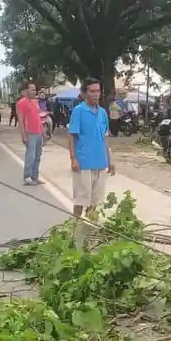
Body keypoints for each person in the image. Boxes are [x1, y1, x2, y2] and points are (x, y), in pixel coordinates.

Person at [68, 78, 115, 246]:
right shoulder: (78, 111)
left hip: (100, 162)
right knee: (81, 200)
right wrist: (73, 158)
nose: (96, 94)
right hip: (83, 162)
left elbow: (104, 139)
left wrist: (110, 159)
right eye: (92, 91)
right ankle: (73, 231)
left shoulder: (102, 112)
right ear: (83, 93)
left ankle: (88, 234)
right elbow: (72, 136)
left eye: (98, 91)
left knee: (95, 202)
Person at [16, 81, 45, 186]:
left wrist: (43, 132)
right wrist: (23, 135)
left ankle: (35, 177)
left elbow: (38, 117)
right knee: (30, 155)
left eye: (35, 89)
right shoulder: (21, 103)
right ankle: (27, 177)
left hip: (38, 132)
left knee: (38, 156)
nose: (34, 91)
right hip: (30, 133)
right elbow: (20, 119)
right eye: (32, 89)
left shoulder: (35, 102)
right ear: (26, 90)